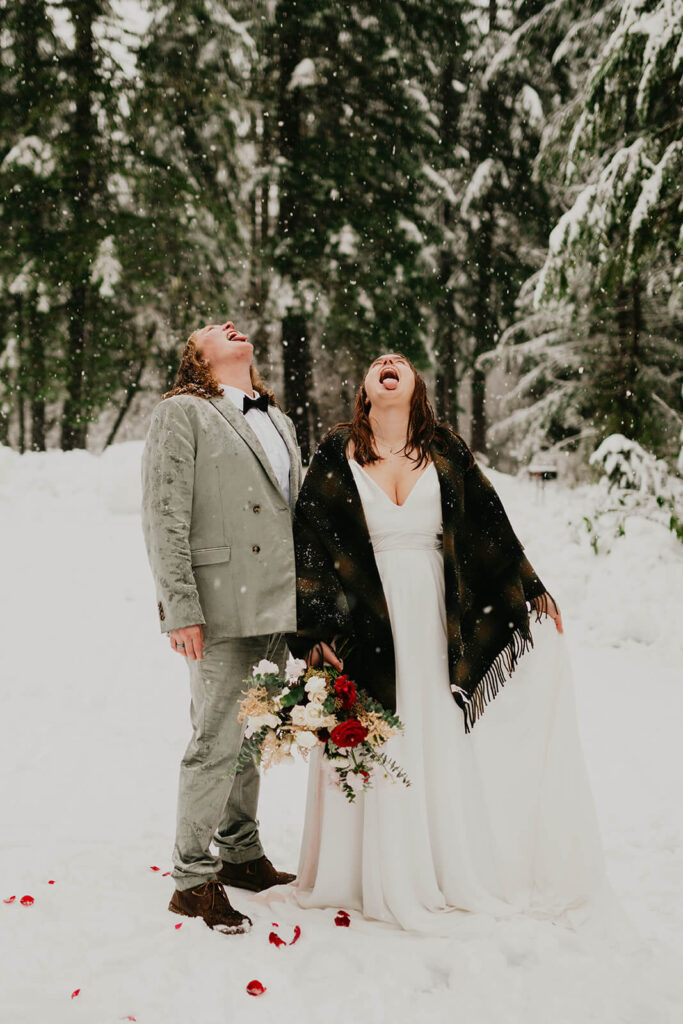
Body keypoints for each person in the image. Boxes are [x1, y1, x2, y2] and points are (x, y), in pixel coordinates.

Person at [286, 353, 611, 933]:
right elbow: (307, 543)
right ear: (365, 391)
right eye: (378, 363)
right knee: (374, 724)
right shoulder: (337, 451)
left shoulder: (446, 449)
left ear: (417, 387)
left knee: (429, 725)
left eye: (400, 361)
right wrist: (312, 632)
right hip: (365, 614)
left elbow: (491, 527)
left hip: (433, 612)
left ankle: (435, 862)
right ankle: (355, 871)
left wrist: (529, 587)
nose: (388, 362)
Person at [141, 320, 301, 935]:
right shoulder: (182, 412)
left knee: (255, 733)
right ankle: (190, 877)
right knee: (215, 741)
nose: (230, 325)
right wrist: (179, 607)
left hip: (277, 605)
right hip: (220, 603)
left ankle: (239, 851)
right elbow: (164, 513)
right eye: (213, 329)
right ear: (198, 359)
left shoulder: (278, 419)